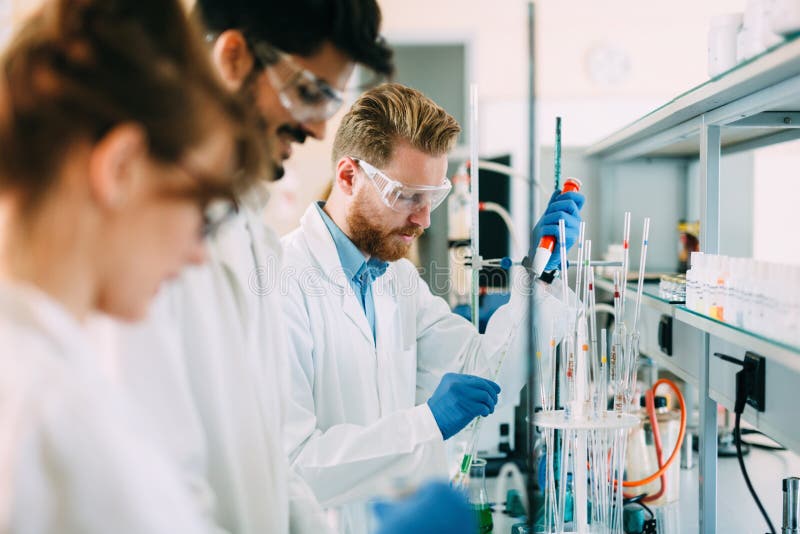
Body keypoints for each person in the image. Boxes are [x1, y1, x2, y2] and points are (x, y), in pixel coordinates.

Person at [89, 2, 472, 533]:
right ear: (234, 58)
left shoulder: (251, 238)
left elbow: (268, 467)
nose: (318, 127)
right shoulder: (147, 237)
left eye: (330, 100)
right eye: (311, 93)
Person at [0, 0, 263, 531]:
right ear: (120, 168)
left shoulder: (42, 370)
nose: (198, 253)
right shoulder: (52, 418)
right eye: (200, 208)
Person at [281, 83, 585, 533]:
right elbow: (292, 467)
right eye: (407, 196)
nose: (424, 219)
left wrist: (536, 274)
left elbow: (486, 372)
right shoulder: (281, 281)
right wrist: (427, 423)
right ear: (348, 177)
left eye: (432, 197)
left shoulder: (397, 279)